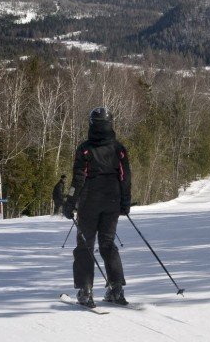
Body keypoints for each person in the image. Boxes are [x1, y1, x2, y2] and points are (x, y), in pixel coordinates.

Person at [63, 107, 131, 307]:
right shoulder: (119, 149)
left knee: (85, 245)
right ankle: (116, 289)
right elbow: (125, 178)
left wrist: (69, 203)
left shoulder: (85, 149)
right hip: (112, 201)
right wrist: (125, 202)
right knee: (107, 244)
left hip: (89, 203)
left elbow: (78, 178)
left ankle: (86, 291)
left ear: (92, 125)